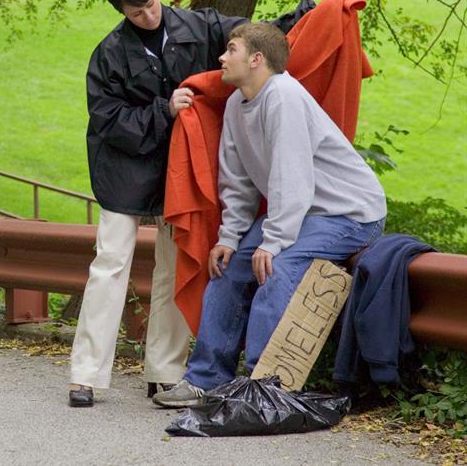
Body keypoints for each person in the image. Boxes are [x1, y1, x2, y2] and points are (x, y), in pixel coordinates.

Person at [152, 22, 387, 408]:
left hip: (351, 212)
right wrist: (229, 238)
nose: (222, 58)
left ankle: (266, 388)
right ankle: (206, 379)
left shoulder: (284, 96)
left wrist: (274, 242)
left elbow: (291, 178)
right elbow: (239, 181)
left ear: (256, 59)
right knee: (229, 268)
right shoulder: (235, 104)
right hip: (304, 211)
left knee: (277, 267)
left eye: (231, 50)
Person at [68, 0, 253, 408]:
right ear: (121, 12)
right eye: (136, 13)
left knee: (176, 265)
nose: (148, 16)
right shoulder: (108, 54)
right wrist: (163, 110)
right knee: (110, 264)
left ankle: (165, 374)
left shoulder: (202, 25)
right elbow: (107, 120)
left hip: (182, 169)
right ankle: (85, 376)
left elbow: (252, 37)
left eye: (151, 4)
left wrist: (302, 18)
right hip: (123, 168)